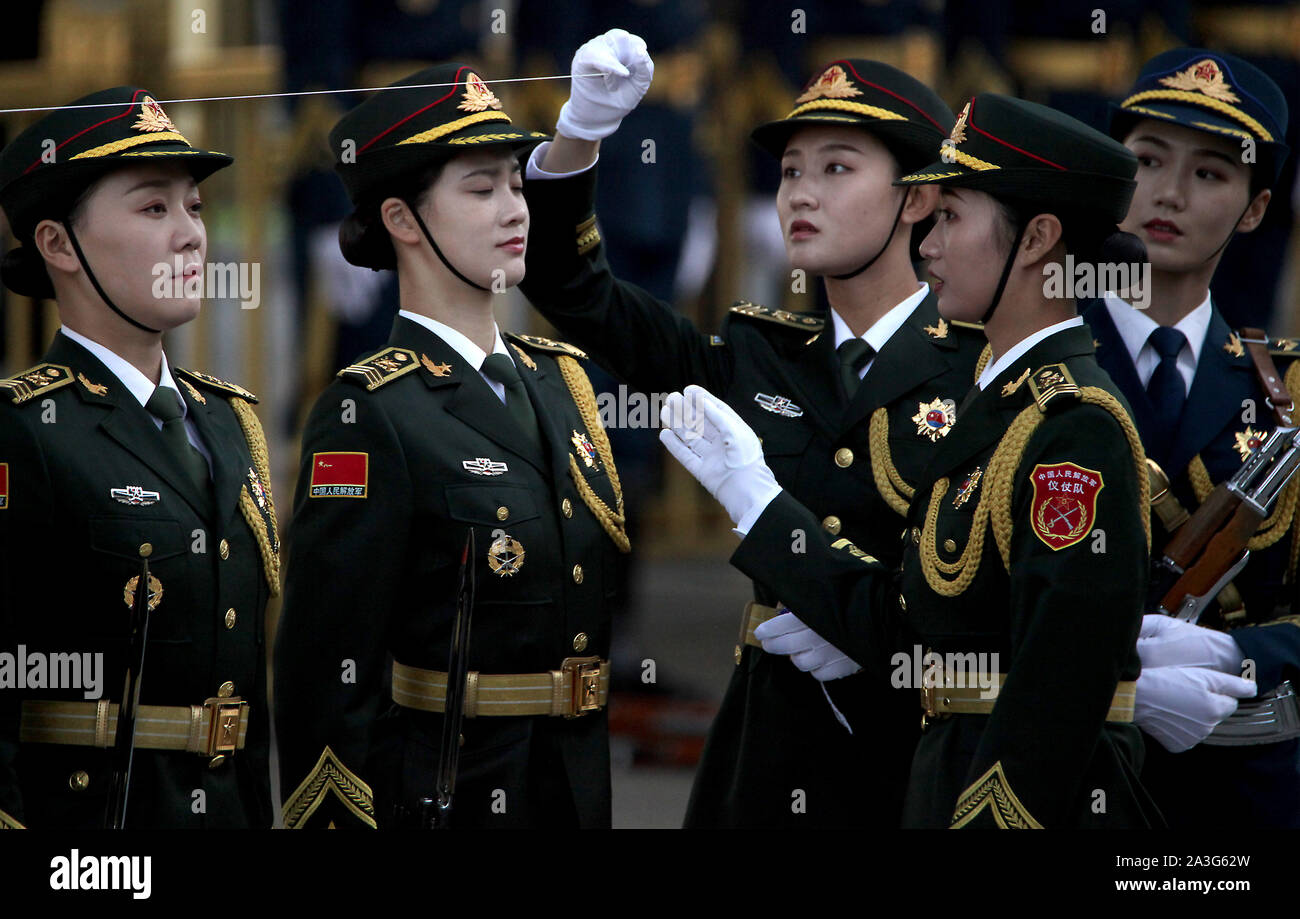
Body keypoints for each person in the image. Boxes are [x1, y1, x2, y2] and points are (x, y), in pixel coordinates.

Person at [661, 93, 1185, 827]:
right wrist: (761, 508)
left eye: (951, 216)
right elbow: (910, 623)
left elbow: (1056, 695)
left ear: (1035, 239)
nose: (928, 243)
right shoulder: (994, 399)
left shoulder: (1074, 426)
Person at [522, 35, 987, 827]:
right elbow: (575, 289)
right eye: (792, 172)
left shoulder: (979, 370)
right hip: (766, 755)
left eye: (837, 169)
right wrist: (580, 135)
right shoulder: (760, 355)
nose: (801, 193)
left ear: (915, 199)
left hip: (910, 761)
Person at [273, 63, 631, 829]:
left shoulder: (560, 383)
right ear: (404, 220)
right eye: (481, 188)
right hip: (449, 798)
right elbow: (326, 679)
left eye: (515, 183)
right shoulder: (369, 413)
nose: (514, 209)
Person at [0, 87, 278, 828]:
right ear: (58, 244)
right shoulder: (23, 429)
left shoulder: (228, 422)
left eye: (193, 206)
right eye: (154, 208)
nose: (190, 234)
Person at [1083, 47, 1300, 828]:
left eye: (1210, 174)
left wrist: (1235, 656)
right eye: (1146, 160)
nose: (1167, 193)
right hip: (1068, 774)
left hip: (1243, 791)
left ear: (1253, 209)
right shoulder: (1022, 361)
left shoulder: (1288, 395)